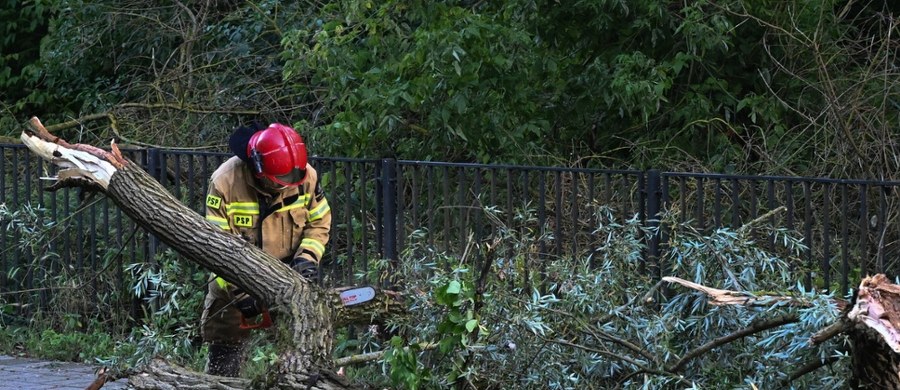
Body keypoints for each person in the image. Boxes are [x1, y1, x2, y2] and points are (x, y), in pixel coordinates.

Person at [200, 122, 332, 377]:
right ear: (258, 168)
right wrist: (240, 291)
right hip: (234, 281)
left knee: (295, 356)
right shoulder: (225, 182)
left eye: (290, 180)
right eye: (279, 181)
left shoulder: (305, 177)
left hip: (286, 279)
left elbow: (319, 222)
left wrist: (307, 258)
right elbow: (213, 247)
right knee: (224, 356)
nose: (285, 186)